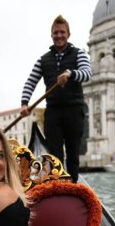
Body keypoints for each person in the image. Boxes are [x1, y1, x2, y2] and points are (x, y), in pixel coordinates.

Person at [20, 14, 92, 182]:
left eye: (62, 32)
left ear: (68, 34)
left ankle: (73, 185)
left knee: (73, 154)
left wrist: (70, 74)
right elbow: (30, 82)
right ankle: (58, 186)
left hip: (74, 111)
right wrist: (24, 103)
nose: (59, 35)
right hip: (53, 112)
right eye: (56, 33)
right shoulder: (43, 60)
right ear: (51, 35)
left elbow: (87, 73)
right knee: (54, 155)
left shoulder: (79, 54)